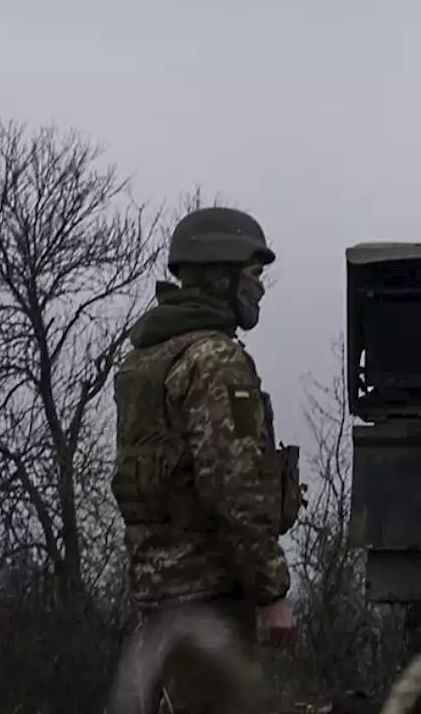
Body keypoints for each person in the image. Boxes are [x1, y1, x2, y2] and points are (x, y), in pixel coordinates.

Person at [111, 206, 304, 714]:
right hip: (210, 596)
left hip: (156, 589)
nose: (258, 290)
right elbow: (233, 485)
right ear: (221, 277)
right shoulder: (216, 361)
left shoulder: (145, 360)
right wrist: (270, 591)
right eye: (253, 276)